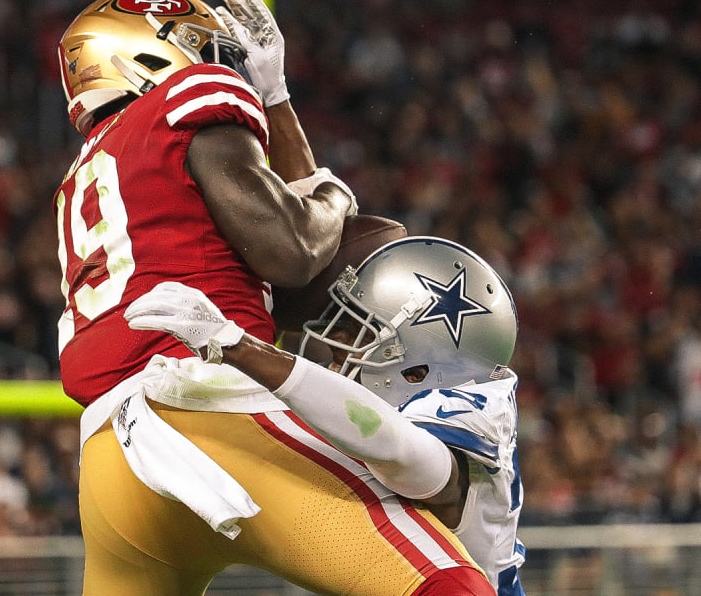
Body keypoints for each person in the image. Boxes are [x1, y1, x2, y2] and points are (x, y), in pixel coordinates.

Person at [54, 0, 493, 595]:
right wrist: (334, 194)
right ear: (156, 53)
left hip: (111, 462)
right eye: (207, 50)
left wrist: (279, 103)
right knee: (446, 584)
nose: (224, 67)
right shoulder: (186, 100)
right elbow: (293, 249)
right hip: (211, 413)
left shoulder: (91, 170)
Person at [126, 236, 528, 595]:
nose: (335, 352)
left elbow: (412, 461)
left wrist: (236, 346)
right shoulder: (435, 391)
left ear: (418, 369)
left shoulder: (467, 413)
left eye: (355, 338)